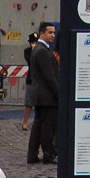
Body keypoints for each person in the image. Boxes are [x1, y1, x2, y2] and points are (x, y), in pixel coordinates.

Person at [27, 21, 58, 164]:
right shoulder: (43, 52)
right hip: (46, 96)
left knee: (38, 126)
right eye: (50, 32)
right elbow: (49, 77)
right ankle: (48, 154)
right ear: (42, 34)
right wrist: (59, 94)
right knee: (47, 127)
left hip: (40, 95)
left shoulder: (38, 49)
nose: (53, 35)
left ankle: (32, 155)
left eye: (54, 32)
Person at [22, 32, 38, 131]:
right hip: (31, 80)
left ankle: (37, 122)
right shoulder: (28, 51)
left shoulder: (42, 50)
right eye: (33, 42)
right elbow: (30, 61)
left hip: (40, 81)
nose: (34, 43)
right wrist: (33, 50)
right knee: (29, 103)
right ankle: (25, 123)